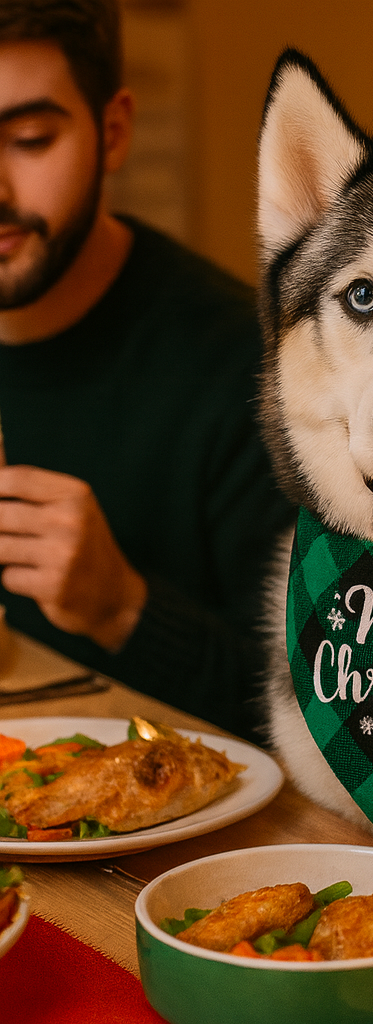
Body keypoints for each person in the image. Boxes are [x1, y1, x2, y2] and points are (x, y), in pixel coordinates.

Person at [0, 0, 294, 741]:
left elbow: (326, 721)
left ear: (114, 130)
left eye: (30, 139)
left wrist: (122, 608)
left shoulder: (247, 370)